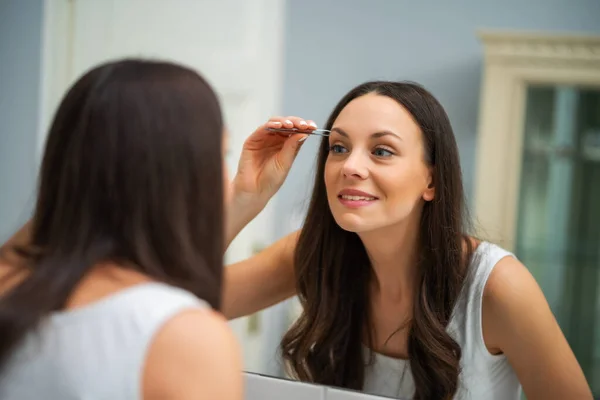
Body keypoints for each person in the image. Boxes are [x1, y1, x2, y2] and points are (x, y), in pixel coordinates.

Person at [221, 81, 593, 399]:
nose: (350, 166)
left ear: (431, 181)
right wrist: (243, 199)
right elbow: (180, 302)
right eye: (338, 147)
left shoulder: (496, 287)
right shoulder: (313, 253)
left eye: (381, 151)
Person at [0, 58, 312, 400]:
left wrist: (243, 198)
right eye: (220, 156)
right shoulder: (186, 338)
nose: (227, 177)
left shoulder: (11, 280)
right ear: (176, 176)